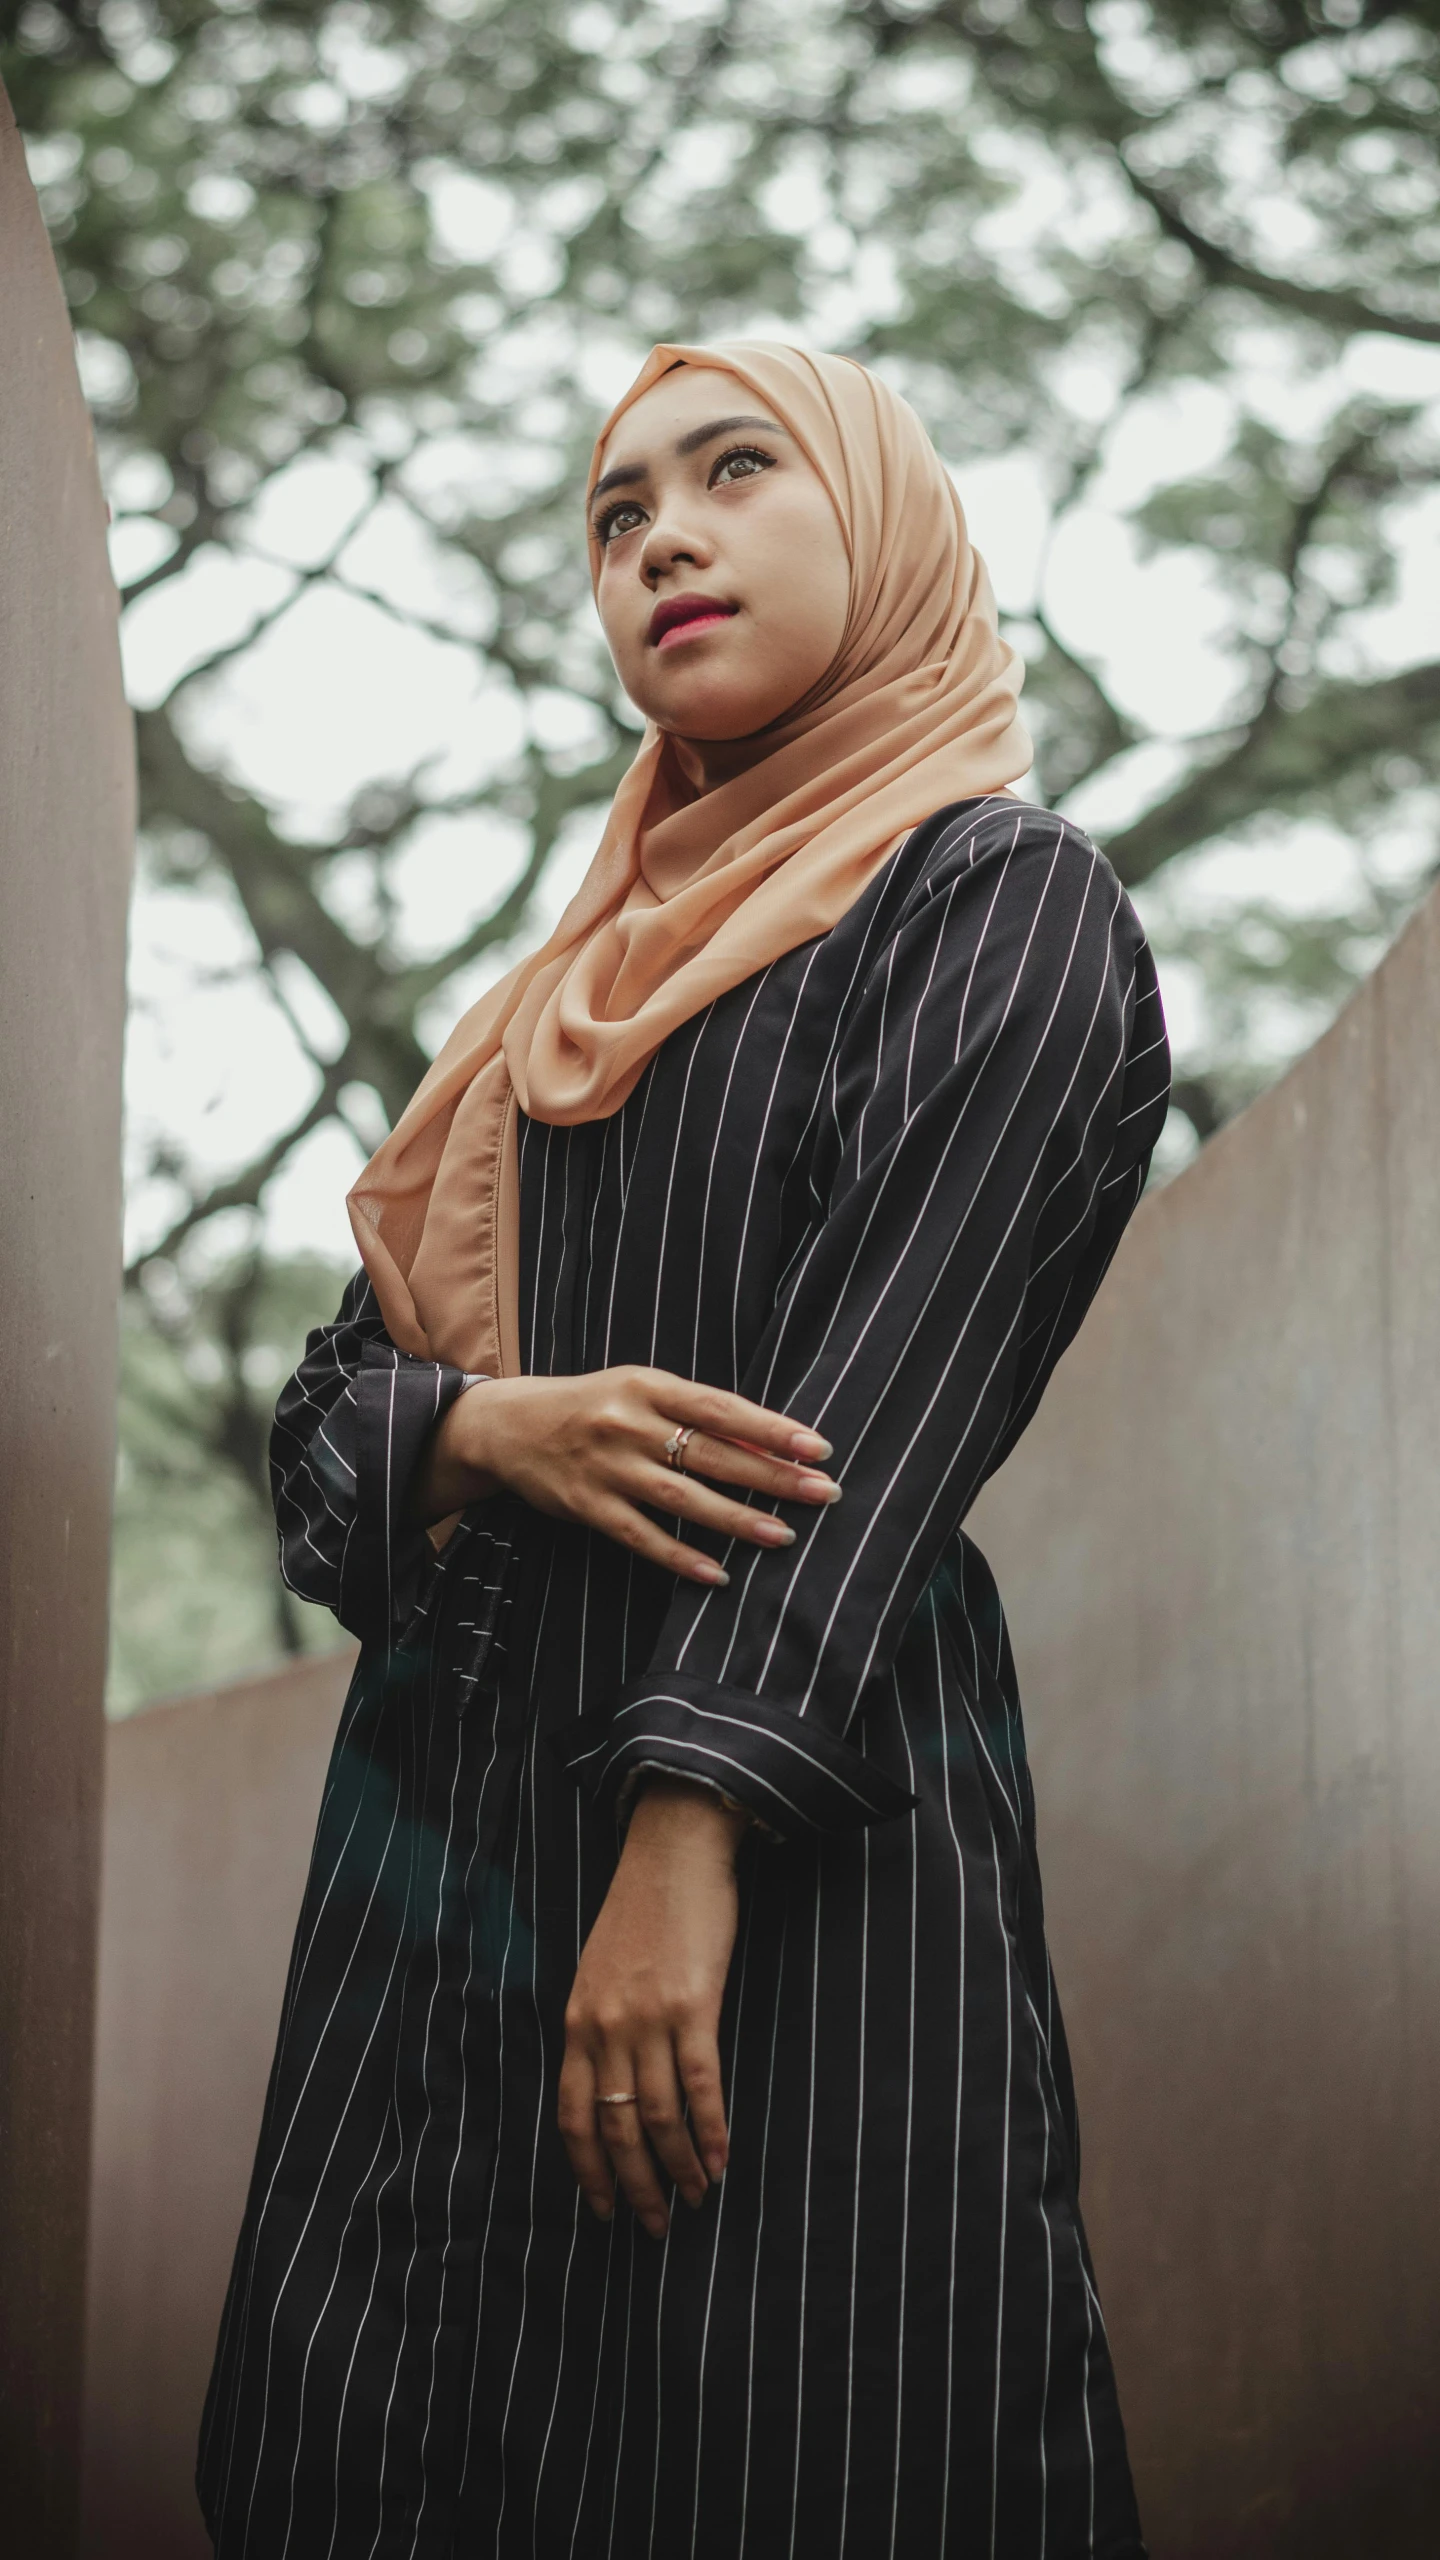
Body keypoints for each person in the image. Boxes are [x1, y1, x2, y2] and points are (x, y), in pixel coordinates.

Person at [199, 340, 1169, 2560]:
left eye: (735, 473)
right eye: (618, 514)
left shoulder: (999, 907)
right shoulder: (555, 1010)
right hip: (438, 1866)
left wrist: (687, 1839)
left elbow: (878, 1421)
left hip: (795, 1850)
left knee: (801, 2444)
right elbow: (329, 1445)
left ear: (887, 520)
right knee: (376, 2443)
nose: (663, 541)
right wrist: (482, 1428)